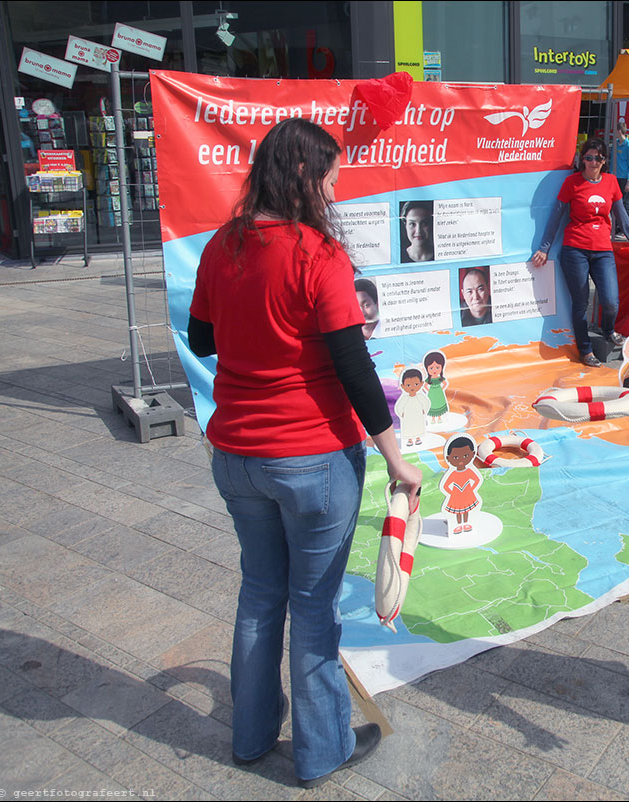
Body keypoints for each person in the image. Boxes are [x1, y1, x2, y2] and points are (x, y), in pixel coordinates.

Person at [187, 118, 421, 788]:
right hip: (312, 458)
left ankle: (252, 737)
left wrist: (255, 330)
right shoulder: (318, 255)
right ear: (304, 178)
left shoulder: (222, 245)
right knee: (312, 605)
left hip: (235, 454)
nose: (335, 186)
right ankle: (322, 751)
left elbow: (203, 340)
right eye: (329, 174)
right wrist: (396, 457)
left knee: (261, 593)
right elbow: (351, 364)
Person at [530, 138, 629, 368]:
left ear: (604, 161)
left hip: (603, 250)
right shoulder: (572, 182)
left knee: (611, 300)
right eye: (589, 158)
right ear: (582, 160)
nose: (593, 162)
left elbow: (621, 214)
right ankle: (585, 349)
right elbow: (555, 217)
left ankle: (609, 329)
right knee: (580, 302)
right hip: (575, 250)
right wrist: (544, 248)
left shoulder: (612, 182)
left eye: (598, 158)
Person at [394, 367, 430, 448]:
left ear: (421, 384)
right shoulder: (404, 398)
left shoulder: (420, 396)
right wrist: (401, 414)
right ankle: (409, 439)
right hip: (407, 417)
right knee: (408, 428)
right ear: (403, 386)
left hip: (418, 415)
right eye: (408, 385)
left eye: (416, 384)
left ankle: (418, 438)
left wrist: (424, 410)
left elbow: (426, 404)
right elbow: (398, 407)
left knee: (418, 426)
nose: (412, 387)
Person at [611, 121, 629, 203]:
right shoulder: (615, 144)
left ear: (619, 131)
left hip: (624, 178)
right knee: (615, 201)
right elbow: (612, 161)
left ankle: (626, 216)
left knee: (625, 202)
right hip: (615, 177)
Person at [423, 350, 449, 423]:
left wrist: (441, 389)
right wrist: (428, 391)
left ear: (441, 367)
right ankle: (433, 419)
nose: (434, 370)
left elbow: (445, 384)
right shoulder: (429, 379)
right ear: (427, 369)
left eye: (437, 367)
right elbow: (425, 385)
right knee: (433, 404)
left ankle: (440, 418)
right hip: (432, 393)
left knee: (439, 403)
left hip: (439, 392)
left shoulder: (440, 378)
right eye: (431, 368)